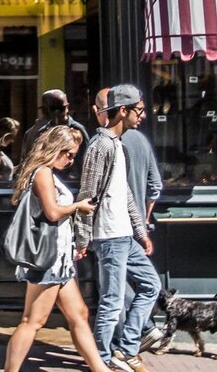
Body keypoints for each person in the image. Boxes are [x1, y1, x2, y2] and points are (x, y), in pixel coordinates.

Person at [3, 127, 112, 372]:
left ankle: (100, 369)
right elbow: (52, 212)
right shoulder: (42, 173)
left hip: (59, 259)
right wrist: (78, 207)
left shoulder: (48, 173)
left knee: (79, 314)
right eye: (70, 154)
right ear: (56, 149)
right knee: (33, 321)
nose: (72, 160)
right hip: (48, 260)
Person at [75, 84, 162, 372]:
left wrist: (141, 232)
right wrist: (83, 239)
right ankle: (101, 359)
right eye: (139, 110)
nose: (143, 115)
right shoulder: (99, 146)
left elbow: (124, 194)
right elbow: (87, 194)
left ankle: (126, 349)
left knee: (151, 286)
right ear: (122, 111)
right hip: (109, 236)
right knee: (112, 302)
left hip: (126, 235)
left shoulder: (120, 145)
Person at [20, 88, 89, 176]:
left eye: (60, 109)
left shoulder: (77, 130)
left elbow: (85, 161)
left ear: (67, 108)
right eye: (52, 109)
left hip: (70, 183)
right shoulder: (40, 131)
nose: (57, 113)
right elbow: (27, 162)